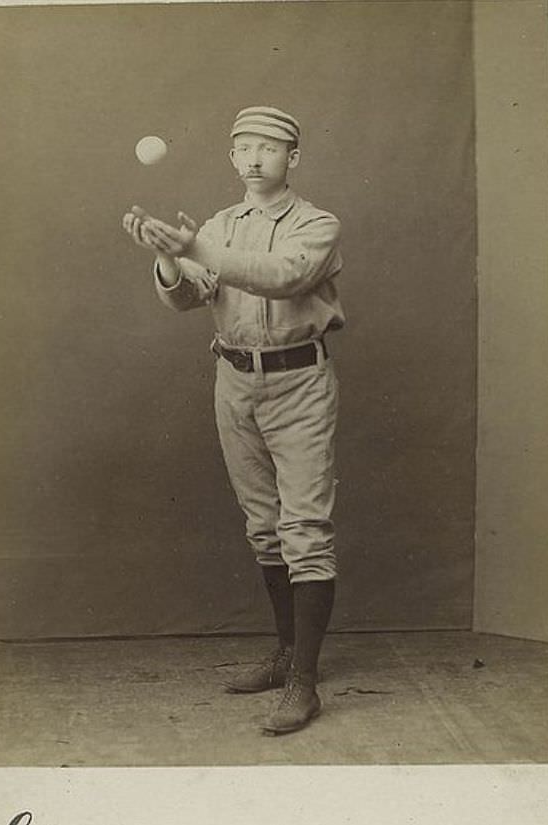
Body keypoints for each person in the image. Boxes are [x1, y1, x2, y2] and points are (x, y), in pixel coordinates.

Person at [122, 106, 344, 735]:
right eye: (243, 147)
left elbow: (285, 276)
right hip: (234, 380)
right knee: (265, 527)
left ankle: (305, 681)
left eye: (268, 148)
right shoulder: (221, 225)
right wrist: (170, 260)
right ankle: (284, 656)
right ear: (232, 157)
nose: (253, 158)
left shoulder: (317, 224)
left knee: (305, 527)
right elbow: (191, 293)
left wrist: (196, 245)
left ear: (292, 159)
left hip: (299, 381)